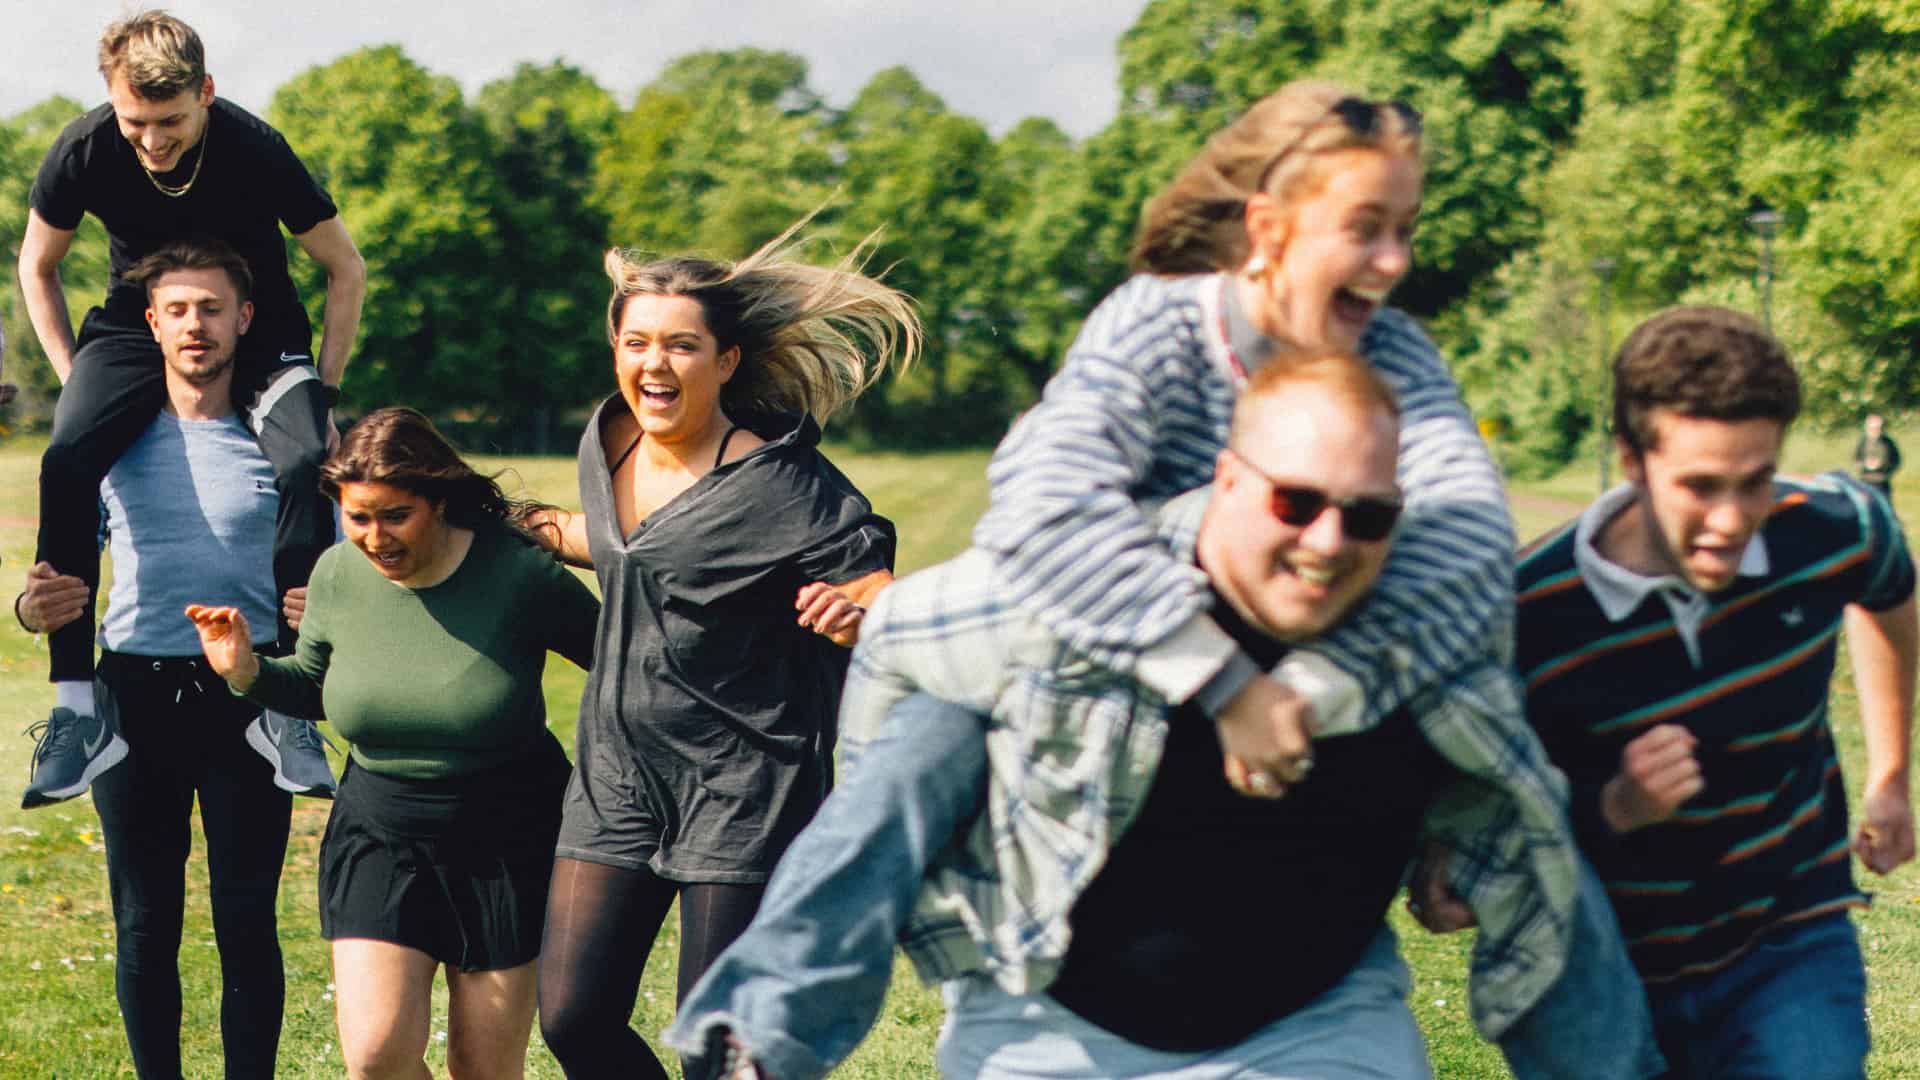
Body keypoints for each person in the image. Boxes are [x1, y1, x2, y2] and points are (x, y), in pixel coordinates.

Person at [671, 79, 1656, 1080]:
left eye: (1405, 229)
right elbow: (1041, 508)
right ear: (1269, 226)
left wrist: (1309, 693)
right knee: (932, 731)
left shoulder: (1396, 356)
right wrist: (1220, 678)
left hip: (1306, 659)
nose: (1394, 263)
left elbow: (1470, 542)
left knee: (1495, 738)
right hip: (1081, 647)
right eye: (1365, 228)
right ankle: (763, 1040)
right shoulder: (1162, 326)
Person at [692, 353, 1594, 1079]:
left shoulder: (1425, 633)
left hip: (1314, 1024)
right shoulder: (1067, 599)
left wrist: (1460, 862)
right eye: (1297, 502)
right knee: (940, 726)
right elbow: (889, 641)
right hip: (1049, 1022)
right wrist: (938, 876)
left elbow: (1517, 791)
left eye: (1369, 515)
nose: (1329, 541)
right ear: (1229, 480)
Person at [517, 226, 917, 1079]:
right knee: (573, 1017)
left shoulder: (788, 486)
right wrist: (524, 524)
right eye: (637, 342)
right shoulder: (609, 440)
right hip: (616, 779)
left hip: (744, 787)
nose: (654, 363)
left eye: (680, 345)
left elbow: (877, 589)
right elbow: (638, 546)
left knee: (717, 1047)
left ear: (727, 360)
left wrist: (856, 614)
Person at [1515, 306, 1917, 1078]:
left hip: (1788, 933)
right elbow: (1491, 827)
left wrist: (1891, 775)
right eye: (1699, 486)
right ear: (1631, 459)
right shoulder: (1531, 615)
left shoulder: (1832, 526)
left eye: (1755, 480)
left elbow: (1891, 592)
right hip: (1601, 966)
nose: (1732, 521)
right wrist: (1616, 806)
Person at [187, 406, 600, 1080]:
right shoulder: (335, 574)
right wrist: (246, 671)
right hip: (379, 828)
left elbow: (619, 666)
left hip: (506, 833)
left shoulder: (518, 572)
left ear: (438, 501)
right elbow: (319, 688)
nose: (374, 538)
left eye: (395, 516)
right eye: (357, 518)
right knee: (376, 1058)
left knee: (485, 1069)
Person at [19, 10, 365, 806]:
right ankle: (77, 707)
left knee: (311, 457)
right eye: (135, 122)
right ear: (111, 103)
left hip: (263, 331)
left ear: (206, 93)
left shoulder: (256, 148)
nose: (151, 141)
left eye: (170, 122)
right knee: (66, 454)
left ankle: (289, 703)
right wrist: (73, 377)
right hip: (136, 329)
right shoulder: (83, 148)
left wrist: (327, 388)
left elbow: (345, 268)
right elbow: (37, 266)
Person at [12, 240, 301, 1078]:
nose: (195, 326)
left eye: (211, 308)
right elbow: (53, 578)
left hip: (248, 695)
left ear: (244, 318)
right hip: (134, 697)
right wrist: (32, 609)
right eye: (177, 310)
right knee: (145, 923)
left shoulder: (276, 445)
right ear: (152, 324)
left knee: (247, 918)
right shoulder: (106, 443)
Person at [1853, 412, 1900, 505]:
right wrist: (1864, 465)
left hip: (1881, 482)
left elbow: (1896, 461)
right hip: (1865, 481)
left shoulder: (1888, 443)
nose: (1875, 430)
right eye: (1872, 428)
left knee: (1884, 508)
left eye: (1878, 428)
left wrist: (1884, 469)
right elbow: (1856, 459)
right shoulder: (1862, 442)